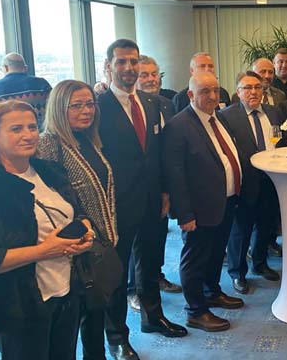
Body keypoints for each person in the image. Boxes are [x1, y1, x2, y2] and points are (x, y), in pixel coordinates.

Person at [98, 39, 186, 360]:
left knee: (149, 265)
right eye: (121, 61)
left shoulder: (152, 103)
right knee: (118, 275)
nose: (129, 68)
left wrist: (164, 192)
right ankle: (117, 338)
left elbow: (157, 153)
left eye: (133, 61)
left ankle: (153, 317)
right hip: (117, 205)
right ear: (109, 67)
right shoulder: (98, 107)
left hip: (152, 200)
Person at [0, 100, 94, 360]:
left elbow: (76, 211)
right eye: (16, 129)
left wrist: (85, 228)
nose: (28, 135)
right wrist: (43, 251)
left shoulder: (50, 171)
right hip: (20, 305)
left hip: (67, 290)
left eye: (32, 127)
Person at [37, 80, 118, 360]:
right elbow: (51, 201)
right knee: (73, 324)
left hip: (98, 242)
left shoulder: (88, 139)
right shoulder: (48, 144)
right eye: (77, 106)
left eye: (90, 104)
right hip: (73, 249)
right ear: (59, 108)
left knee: (96, 311)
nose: (87, 111)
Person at [163, 72, 243, 332]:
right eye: (204, 91)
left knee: (216, 252)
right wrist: (185, 215)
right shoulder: (178, 126)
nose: (212, 96)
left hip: (224, 201)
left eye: (215, 90)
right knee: (195, 259)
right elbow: (175, 176)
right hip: (199, 208)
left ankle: (212, 292)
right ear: (190, 95)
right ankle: (195, 311)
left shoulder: (217, 117)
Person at [220, 71, 284, 294]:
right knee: (241, 230)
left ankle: (260, 263)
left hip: (271, 180)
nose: (253, 92)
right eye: (247, 88)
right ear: (238, 92)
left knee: (266, 225)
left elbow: (281, 142)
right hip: (245, 182)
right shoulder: (226, 116)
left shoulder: (274, 112)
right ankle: (238, 273)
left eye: (257, 87)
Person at [131, 55, 181, 299]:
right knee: (138, 243)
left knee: (159, 234)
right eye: (144, 75)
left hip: (162, 182)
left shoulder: (165, 103)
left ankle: (156, 275)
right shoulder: (131, 109)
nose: (151, 79)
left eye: (154, 74)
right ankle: (133, 289)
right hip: (137, 187)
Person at [0, 53, 52, 127]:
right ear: (25, 68)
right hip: (41, 131)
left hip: (8, 133)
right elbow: (54, 109)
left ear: (6, 68)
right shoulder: (42, 84)